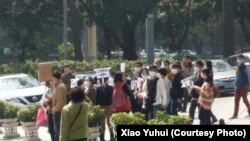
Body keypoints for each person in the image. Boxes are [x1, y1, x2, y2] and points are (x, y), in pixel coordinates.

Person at [230, 54, 250, 119]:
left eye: (239, 58)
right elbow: (237, 77)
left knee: (245, 100)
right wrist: (235, 85)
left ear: (243, 59)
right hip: (237, 86)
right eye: (238, 58)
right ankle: (235, 115)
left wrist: (249, 86)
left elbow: (249, 77)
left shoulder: (246, 67)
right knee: (236, 100)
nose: (238, 60)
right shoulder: (237, 66)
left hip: (244, 85)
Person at [51, 71, 67, 141]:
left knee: (58, 132)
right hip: (58, 112)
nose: (52, 81)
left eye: (53, 79)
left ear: (55, 78)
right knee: (56, 131)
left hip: (58, 112)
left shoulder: (60, 87)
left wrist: (54, 110)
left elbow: (60, 102)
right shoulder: (58, 86)